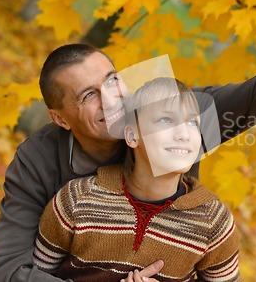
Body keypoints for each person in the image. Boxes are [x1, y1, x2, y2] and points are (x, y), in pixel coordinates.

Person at [0, 6, 256, 282]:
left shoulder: (164, 116)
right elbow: (4, 271)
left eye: (113, 80)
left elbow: (250, 100)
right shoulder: (38, 160)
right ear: (60, 119)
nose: (113, 99)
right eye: (89, 96)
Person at [33, 78, 239, 282]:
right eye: (166, 120)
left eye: (193, 122)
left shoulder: (214, 222)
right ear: (132, 136)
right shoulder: (76, 199)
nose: (184, 134)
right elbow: (30, 276)